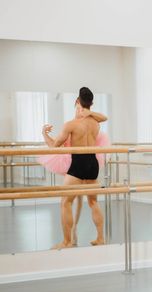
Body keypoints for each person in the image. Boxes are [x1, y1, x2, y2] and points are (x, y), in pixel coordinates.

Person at [41, 87, 107, 249]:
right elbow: (103, 117)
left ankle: (67, 242)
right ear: (91, 103)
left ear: (78, 101)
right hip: (93, 162)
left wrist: (44, 134)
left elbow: (54, 147)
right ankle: (100, 238)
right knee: (93, 202)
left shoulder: (71, 124)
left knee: (65, 202)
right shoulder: (95, 123)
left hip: (78, 163)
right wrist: (89, 112)